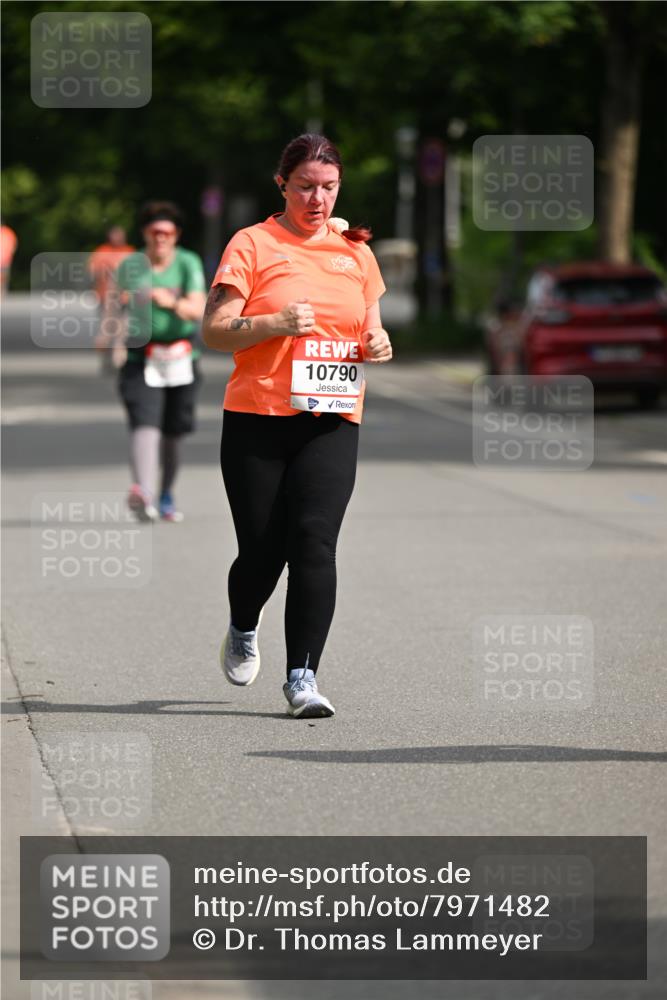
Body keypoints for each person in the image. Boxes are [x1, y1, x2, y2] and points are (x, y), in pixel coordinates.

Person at [202, 133, 392, 718]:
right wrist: (274, 322)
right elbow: (214, 330)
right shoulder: (253, 243)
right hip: (258, 415)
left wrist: (377, 342)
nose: (318, 199)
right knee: (262, 553)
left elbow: (370, 326)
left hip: (332, 418)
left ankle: (303, 678)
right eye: (306, 186)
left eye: (329, 188)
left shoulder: (356, 251)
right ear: (282, 184)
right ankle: (242, 622)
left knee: (314, 542)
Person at [111, 201, 207, 522]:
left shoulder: (188, 263)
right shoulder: (131, 265)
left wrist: (170, 301)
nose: (160, 239)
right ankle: (143, 491)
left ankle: (165, 494)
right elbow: (114, 306)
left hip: (181, 356)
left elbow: (197, 308)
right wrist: (113, 341)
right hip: (141, 357)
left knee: (172, 432)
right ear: (145, 234)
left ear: (176, 235)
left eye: (166, 233)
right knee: (144, 419)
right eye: (154, 233)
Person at [89, 226, 135, 374]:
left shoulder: (129, 252)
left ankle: (121, 362)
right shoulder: (102, 252)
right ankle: (106, 361)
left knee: (123, 330)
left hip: (125, 298)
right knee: (106, 330)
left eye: (120, 235)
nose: (117, 238)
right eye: (114, 235)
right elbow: (93, 271)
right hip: (105, 297)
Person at [0, 222, 18, 294]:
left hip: (5, 258)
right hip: (6, 258)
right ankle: (2, 291)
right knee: (3, 276)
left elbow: (13, 244)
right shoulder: (9, 232)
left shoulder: (8, 232)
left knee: (3, 276)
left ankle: (2, 291)